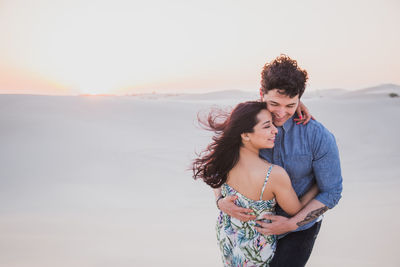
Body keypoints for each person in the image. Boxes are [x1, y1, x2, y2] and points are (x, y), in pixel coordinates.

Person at [216, 55, 343, 267]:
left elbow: (332, 191)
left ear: (299, 100)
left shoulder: (318, 136)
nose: (281, 113)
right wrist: (220, 201)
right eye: (274, 103)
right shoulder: (247, 123)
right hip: (248, 230)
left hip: (299, 228)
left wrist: (292, 224)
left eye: (291, 105)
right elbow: (220, 162)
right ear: (261, 94)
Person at [193, 101, 319, 266]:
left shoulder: (225, 161)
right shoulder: (273, 175)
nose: (275, 130)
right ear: (245, 135)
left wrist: (220, 201)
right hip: (255, 252)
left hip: (228, 240)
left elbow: (215, 178)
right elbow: (295, 209)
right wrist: (318, 184)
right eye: (267, 126)